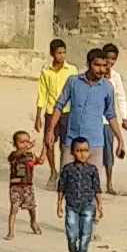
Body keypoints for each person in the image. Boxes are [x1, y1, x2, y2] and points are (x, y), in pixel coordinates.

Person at [46, 48, 126, 193]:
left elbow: (111, 115)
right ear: (89, 64)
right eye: (97, 65)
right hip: (71, 141)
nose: (102, 69)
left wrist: (120, 139)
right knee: (66, 185)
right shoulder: (73, 82)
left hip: (95, 144)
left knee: (91, 187)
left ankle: (90, 215)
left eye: (104, 66)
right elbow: (59, 106)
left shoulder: (107, 87)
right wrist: (51, 130)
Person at [35, 38, 77, 187]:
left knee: (65, 145)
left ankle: (63, 173)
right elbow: (42, 92)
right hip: (51, 111)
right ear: (52, 54)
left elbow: (75, 92)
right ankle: (53, 171)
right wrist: (38, 115)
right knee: (49, 143)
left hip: (67, 112)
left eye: (64, 52)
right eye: (59, 52)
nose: (62, 55)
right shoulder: (46, 71)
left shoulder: (72, 70)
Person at [57, 137, 102, 252]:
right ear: (72, 152)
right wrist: (59, 204)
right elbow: (61, 187)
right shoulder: (67, 169)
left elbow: (97, 188)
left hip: (88, 205)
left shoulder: (92, 170)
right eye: (78, 150)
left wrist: (100, 205)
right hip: (71, 206)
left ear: (89, 152)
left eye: (85, 150)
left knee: (86, 234)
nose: (82, 154)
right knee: (72, 234)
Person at [101, 43, 127, 195]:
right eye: (108, 58)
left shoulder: (116, 77)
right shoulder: (94, 74)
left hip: (108, 122)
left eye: (113, 59)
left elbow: (121, 97)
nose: (110, 62)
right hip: (93, 120)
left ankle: (109, 183)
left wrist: (125, 117)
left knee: (108, 154)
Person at [6, 131, 44, 240]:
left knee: (31, 208)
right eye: (21, 142)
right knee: (14, 208)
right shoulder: (13, 155)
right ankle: (11, 232)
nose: (25, 144)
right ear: (15, 144)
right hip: (15, 186)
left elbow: (40, 161)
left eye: (27, 141)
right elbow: (18, 154)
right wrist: (27, 148)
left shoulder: (30, 155)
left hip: (27, 186)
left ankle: (33, 222)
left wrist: (45, 148)